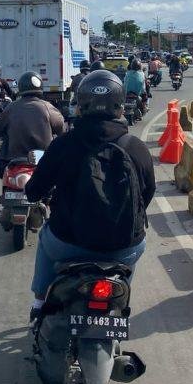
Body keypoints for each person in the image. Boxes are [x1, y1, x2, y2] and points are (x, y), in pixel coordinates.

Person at [24, 70, 156, 321]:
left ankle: (40, 302)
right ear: (119, 106)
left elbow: (34, 191)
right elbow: (146, 194)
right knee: (136, 247)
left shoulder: (64, 144)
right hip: (124, 247)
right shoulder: (135, 146)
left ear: (81, 104)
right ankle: (120, 298)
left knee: (44, 238)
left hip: (68, 244)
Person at [0, 71, 65, 178]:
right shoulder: (48, 107)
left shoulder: (11, 108)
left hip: (14, 160)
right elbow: (62, 131)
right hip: (43, 160)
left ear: (21, 88)